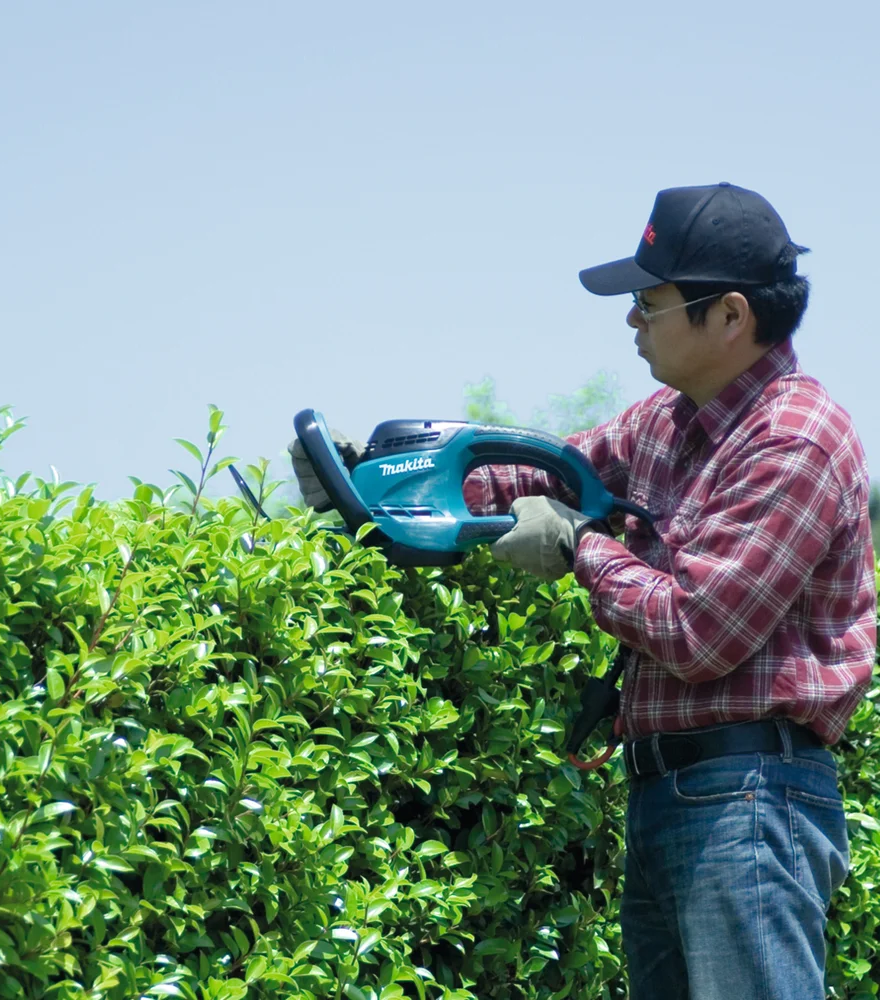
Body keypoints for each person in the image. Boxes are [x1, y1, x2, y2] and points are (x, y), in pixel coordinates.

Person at [289, 183, 877, 999]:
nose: (632, 319)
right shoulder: (665, 423)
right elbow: (537, 473)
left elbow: (700, 631)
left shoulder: (793, 439)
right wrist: (380, 481)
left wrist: (580, 548)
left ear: (730, 315)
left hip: (751, 796)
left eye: (650, 302)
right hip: (675, 793)